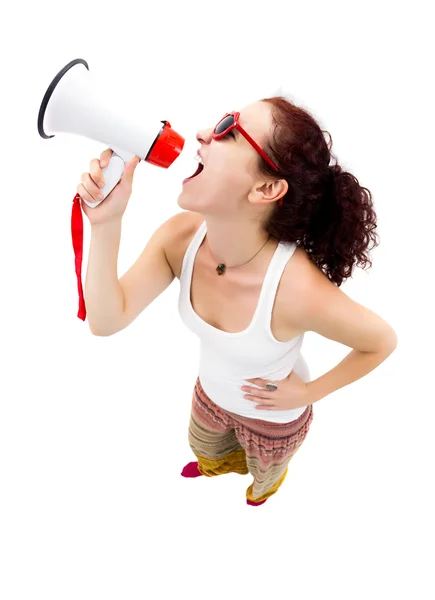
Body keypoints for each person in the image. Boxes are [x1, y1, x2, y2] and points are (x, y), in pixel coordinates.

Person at [77, 96, 397, 507]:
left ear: (266, 188)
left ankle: (261, 493)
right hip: (210, 398)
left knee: (265, 474)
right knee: (205, 450)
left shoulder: (295, 289)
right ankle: (215, 465)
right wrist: (107, 223)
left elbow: (382, 341)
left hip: (274, 422)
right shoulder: (180, 239)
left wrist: (307, 394)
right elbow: (106, 320)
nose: (203, 133)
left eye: (229, 128)